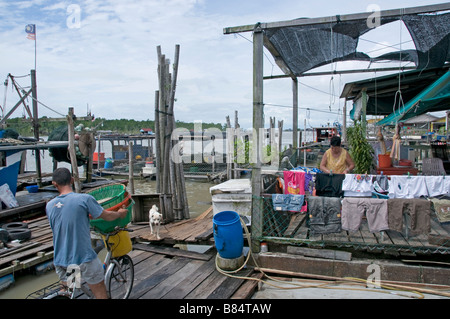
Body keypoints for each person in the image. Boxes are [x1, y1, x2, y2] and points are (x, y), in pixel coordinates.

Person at [46, 167, 128, 299]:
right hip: (83, 259)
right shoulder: (84, 199)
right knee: (100, 294)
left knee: (71, 291)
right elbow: (106, 216)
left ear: (54, 184)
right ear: (72, 180)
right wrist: (119, 214)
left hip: (61, 260)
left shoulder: (50, 206)